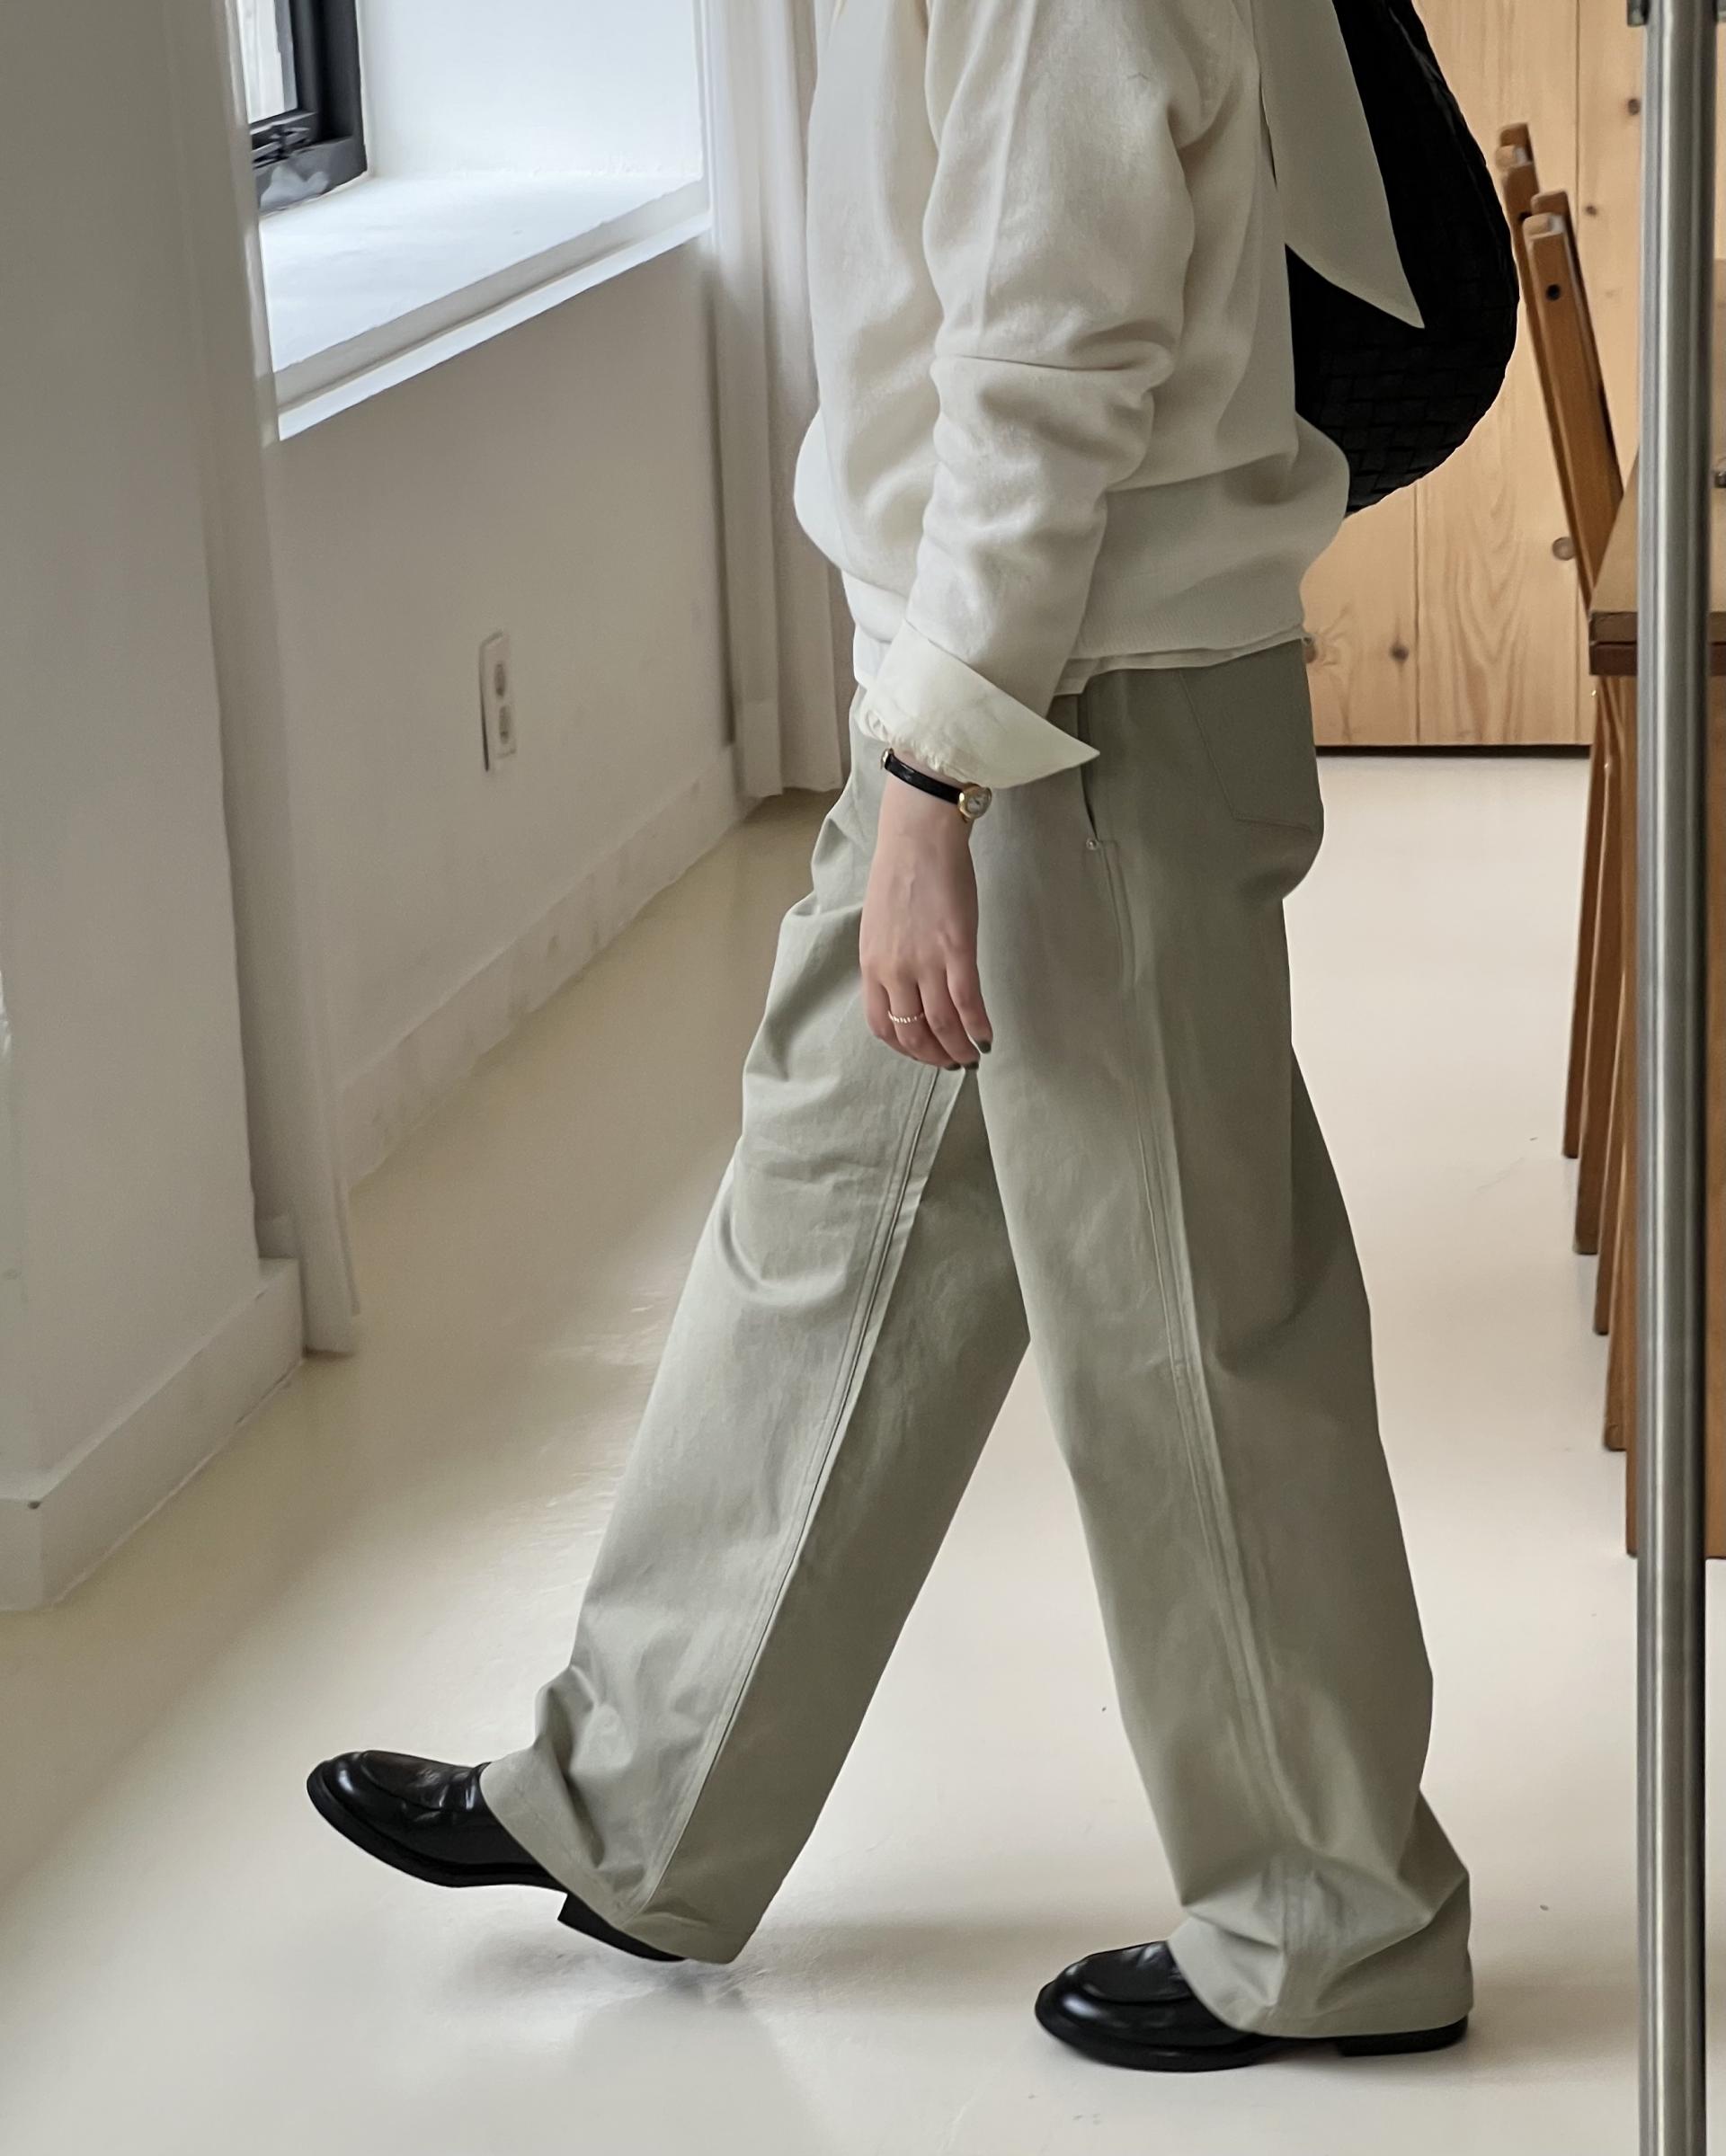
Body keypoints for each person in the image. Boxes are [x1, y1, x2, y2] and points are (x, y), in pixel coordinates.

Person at [308, 0, 1473, 2072]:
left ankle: (1335, 1926)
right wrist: (918, 734)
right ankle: (641, 1799)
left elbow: (1054, 351)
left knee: (1183, 1318)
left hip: (1081, 701)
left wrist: (938, 788)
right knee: (833, 1225)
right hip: (979, 668)